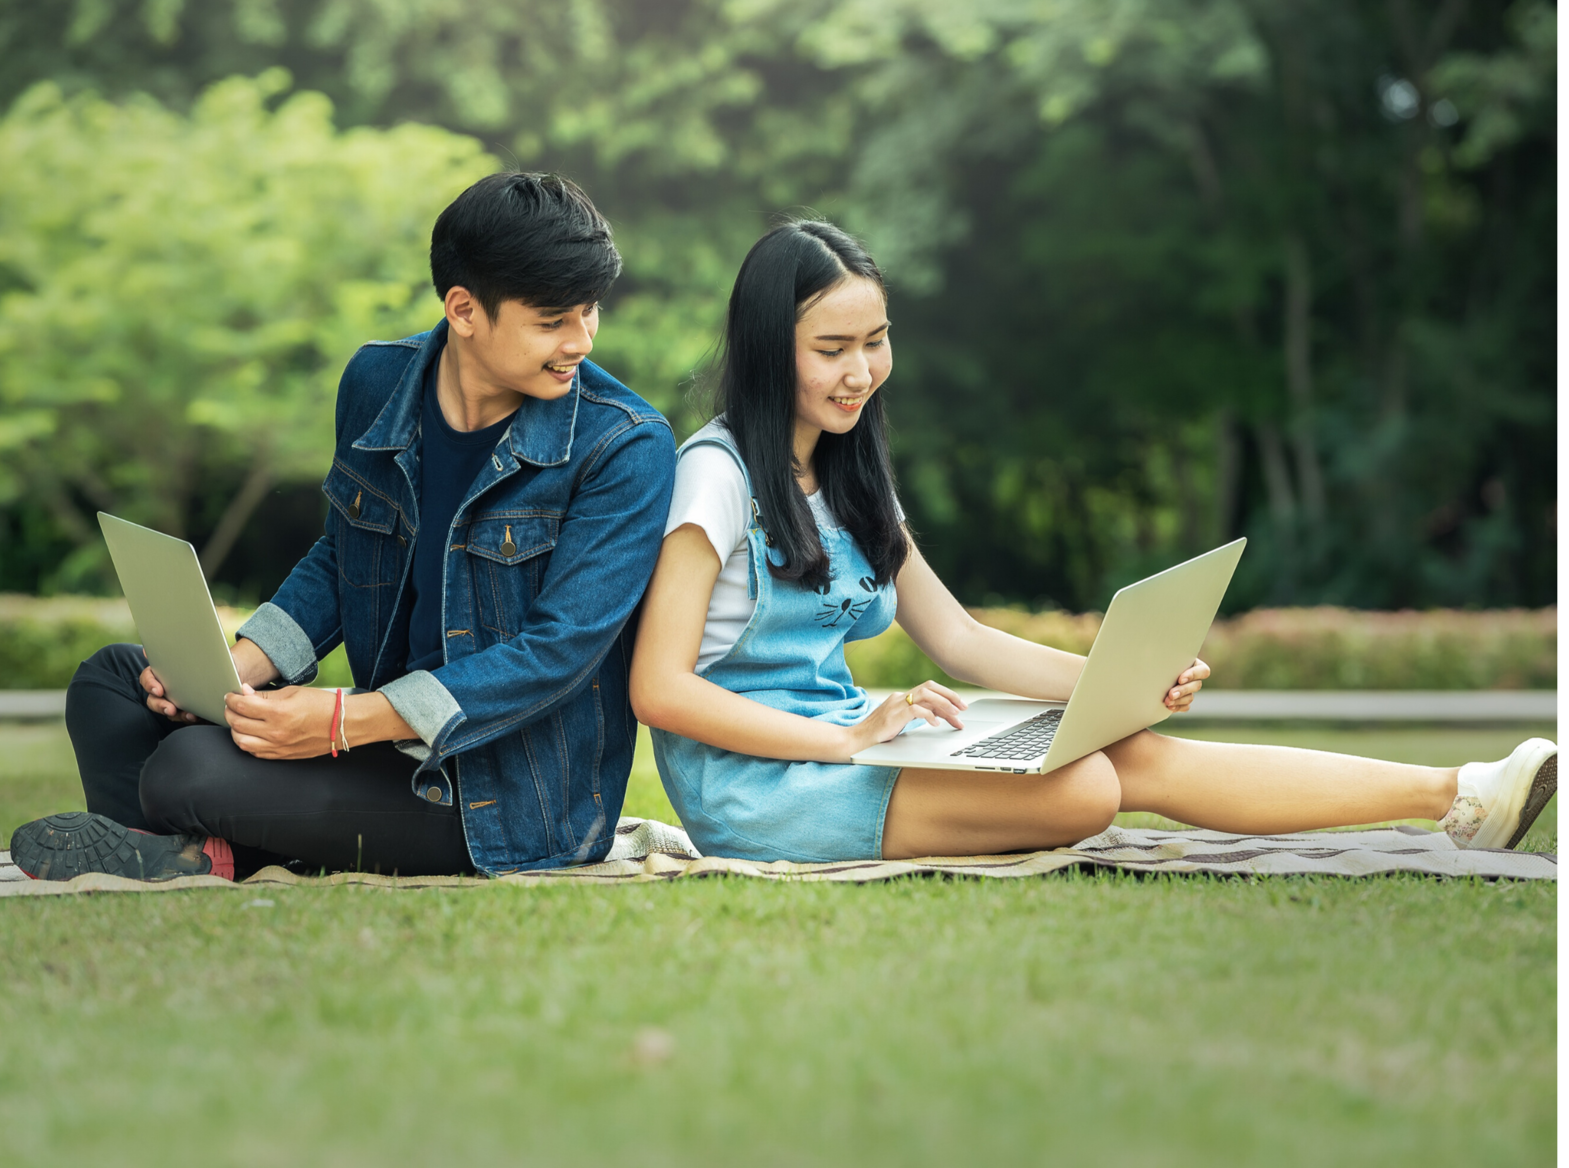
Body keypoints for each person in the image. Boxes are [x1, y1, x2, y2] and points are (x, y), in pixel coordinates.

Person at [629, 219, 1557, 863]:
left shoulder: (846, 470)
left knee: (1133, 750)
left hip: (851, 742)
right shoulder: (714, 477)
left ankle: (1458, 793)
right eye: (832, 349)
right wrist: (845, 742)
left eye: (877, 340)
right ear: (765, 349)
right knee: (1087, 792)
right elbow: (659, 688)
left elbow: (961, 639)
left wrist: (1118, 684)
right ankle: (1454, 795)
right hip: (761, 785)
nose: (863, 370)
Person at [12, 172, 676, 881]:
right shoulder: (376, 384)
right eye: (552, 321)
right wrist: (240, 667)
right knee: (114, 681)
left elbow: (558, 653)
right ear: (463, 309)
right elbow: (341, 556)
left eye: (589, 312)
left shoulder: (624, 445)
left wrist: (343, 721)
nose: (580, 340)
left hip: (502, 794)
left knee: (185, 768)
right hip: (379, 746)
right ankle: (195, 852)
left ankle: (192, 840)